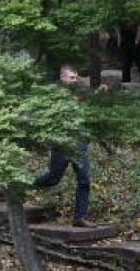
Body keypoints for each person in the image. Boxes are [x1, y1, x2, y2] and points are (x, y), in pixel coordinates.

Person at [33, 65, 106, 228]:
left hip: (79, 144)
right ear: (63, 78)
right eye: (72, 78)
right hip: (62, 144)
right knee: (53, 178)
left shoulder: (78, 93)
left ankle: (79, 217)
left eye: (76, 77)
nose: (75, 81)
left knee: (84, 179)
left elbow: (85, 109)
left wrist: (98, 95)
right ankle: (24, 185)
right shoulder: (56, 97)